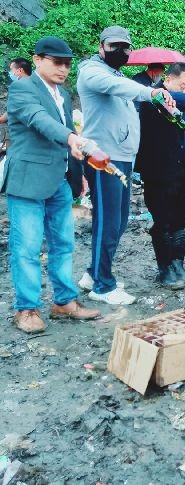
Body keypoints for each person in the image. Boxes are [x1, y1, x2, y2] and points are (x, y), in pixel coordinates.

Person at [3, 36, 100, 332]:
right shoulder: (22, 89)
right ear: (37, 60)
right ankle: (27, 309)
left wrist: (78, 167)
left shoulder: (63, 94)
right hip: (28, 182)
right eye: (57, 62)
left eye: (67, 64)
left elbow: (66, 134)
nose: (63, 69)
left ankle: (64, 301)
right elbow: (39, 119)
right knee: (27, 248)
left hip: (59, 180)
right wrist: (72, 138)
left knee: (63, 244)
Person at [77, 25, 175, 305]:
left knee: (117, 221)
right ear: (101, 47)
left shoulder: (116, 73)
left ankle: (94, 272)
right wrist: (151, 93)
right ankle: (103, 286)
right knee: (108, 221)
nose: (120, 51)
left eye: (125, 47)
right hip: (102, 157)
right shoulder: (93, 72)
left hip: (122, 158)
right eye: (113, 46)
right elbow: (120, 88)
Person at [138, 62, 185, 287]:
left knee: (180, 218)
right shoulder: (153, 97)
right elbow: (177, 99)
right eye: (183, 86)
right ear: (168, 79)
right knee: (162, 220)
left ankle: (178, 262)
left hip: (180, 169)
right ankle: (165, 268)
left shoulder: (182, 103)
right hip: (157, 171)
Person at [0, 58, 32, 126]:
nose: (10, 73)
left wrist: (1, 119)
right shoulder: (36, 84)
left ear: (20, 70)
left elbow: (13, 111)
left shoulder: (20, 88)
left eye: (11, 69)